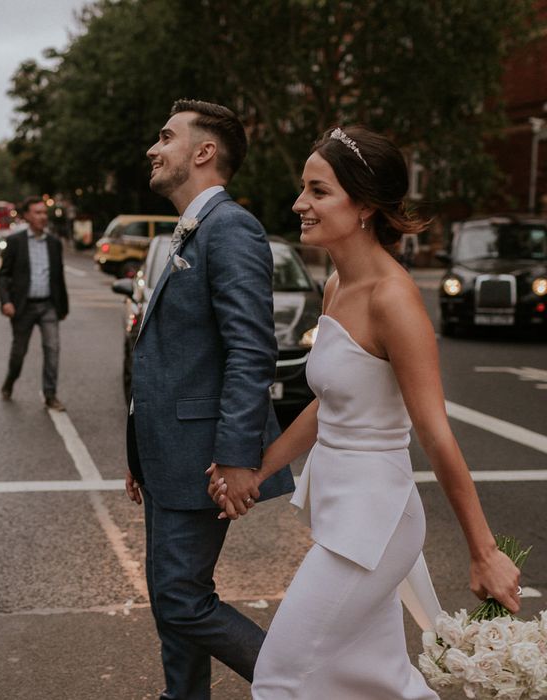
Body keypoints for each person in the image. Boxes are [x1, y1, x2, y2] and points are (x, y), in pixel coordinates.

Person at [209, 126, 522, 699]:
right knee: (381, 683)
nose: (300, 203)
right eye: (303, 188)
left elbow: (435, 432)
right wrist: (257, 469)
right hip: (342, 509)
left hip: (374, 522)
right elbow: (330, 404)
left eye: (318, 190)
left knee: (279, 677)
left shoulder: (392, 298)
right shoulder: (336, 286)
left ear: (365, 207)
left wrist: (485, 551)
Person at [124, 99, 295, 700]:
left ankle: (306, 685)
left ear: (203, 152)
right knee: (173, 600)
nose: (153, 147)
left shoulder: (231, 227)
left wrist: (235, 456)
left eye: (165, 137)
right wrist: (139, 451)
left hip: (203, 456)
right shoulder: (191, 227)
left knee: (180, 598)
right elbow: (176, 354)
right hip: (170, 453)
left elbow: (252, 352)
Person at [0, 196, 69, 410]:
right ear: (27, 216)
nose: (42, 217)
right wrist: (6, 302)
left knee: (52, 349)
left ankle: (50, 394)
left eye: (44, 213)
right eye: (37, 213)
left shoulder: (54, 243)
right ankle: (10, 381)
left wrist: (62, 307)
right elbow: (3, 275)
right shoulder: (15, 242)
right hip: (23, 306)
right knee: (19, 352)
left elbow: (58, 277)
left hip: (48, 306)